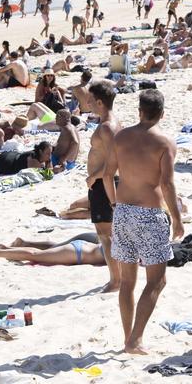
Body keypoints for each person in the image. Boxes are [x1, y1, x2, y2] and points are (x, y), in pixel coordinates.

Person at [103, 89, 183, 354]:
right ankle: (134, 340)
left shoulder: (121, 137)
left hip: (123, 212)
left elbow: (107, 176)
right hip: (149, 216)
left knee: (127, 282)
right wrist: (177, 219)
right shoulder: (164, 142)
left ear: (139, 111)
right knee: (157, 281)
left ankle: (129, 338)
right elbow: (167, 184)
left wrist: (115, 204)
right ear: (161, 113)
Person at [86, 80, 122, 292]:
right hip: (103, 182)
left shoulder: (107, 127)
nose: (87, 103)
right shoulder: (112, 122)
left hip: (103, 183)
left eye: (90, 100)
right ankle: (118, 278)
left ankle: (115, 281)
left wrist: (94, 177)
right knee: (110, 234)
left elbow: (115, 161)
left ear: (100, 102)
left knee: (105, 234)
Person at [0, 232, 104, 266]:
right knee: (35, 255)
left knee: (46, 251)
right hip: (76, 253)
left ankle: (4, 250)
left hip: (82, 247)